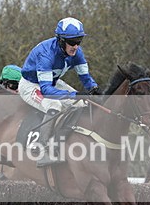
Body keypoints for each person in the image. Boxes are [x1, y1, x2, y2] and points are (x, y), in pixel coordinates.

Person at [19, 17, 99, 166]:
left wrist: (95, 90)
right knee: (54, 106)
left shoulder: (77, 53)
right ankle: (42, 151)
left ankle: (65, 143)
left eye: (79, 41)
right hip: (31, 85)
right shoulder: (46, 54)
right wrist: (74, 94)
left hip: (52, 82)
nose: (75, 46)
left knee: (83, 103)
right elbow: (47, 91)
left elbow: (86, 78)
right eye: (72, 42)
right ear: (61, 40)